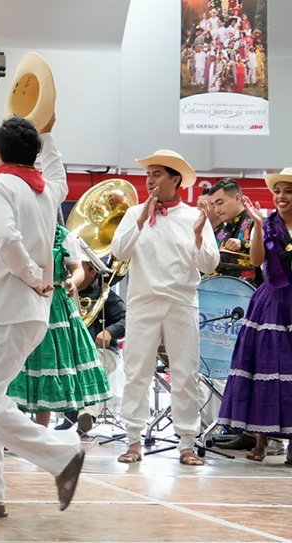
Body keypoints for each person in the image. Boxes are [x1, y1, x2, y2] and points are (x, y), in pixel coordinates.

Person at [0, 115, 85, 519]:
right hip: (27, 313)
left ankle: (61, 453)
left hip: (4, 308)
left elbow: (7, 239)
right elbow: (57, 170)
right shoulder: (47, 194)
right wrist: (45, 128)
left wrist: (32, 277)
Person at [112, 150, 219, 466]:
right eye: (149, 174)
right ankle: (133, 440)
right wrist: (141, 220)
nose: (150, 180)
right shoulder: (135, 214)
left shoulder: (192, 217)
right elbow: (119, 251)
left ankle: (186, 442)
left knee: (185, 373)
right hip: (143, 302)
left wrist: (199, 234)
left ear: (176, 180)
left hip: (181, 302)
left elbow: (209, 263)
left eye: (158, 174)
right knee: (136, 372)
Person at [216, 169, 292, 463]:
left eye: (288, 191)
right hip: (271, 301)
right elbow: (257, 260)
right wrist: (259, 226)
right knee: (265, 368)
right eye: (278, 192)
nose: (281, 197)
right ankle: (260, 441)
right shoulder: (268, 222)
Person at [5, 224, 111, 426]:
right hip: (21, 299)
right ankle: (13, 429)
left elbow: (77, 269)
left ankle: (40, 433)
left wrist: (73, 282)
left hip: (54, 303)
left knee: (48, 363)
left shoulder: (64, 236)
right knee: (17, 365)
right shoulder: (17, 231)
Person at [57, 249, 127, 435]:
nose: (72, 272)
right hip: (71, 353)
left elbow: (127, 319)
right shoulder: (64, 293)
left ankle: (86, 414)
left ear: (92, 271)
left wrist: (110, 331)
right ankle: (71, 415)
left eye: (78, 267)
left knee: (92, 361)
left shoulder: (107, 295)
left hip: (103, 352)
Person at [206, 178, 253, 253]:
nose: (217, 210)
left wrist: (243, 244)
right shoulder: (224, 230)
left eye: (220, 203)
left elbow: (268, 249)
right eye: (214, 206)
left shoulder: (256, 222)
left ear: (237, 198)